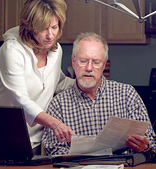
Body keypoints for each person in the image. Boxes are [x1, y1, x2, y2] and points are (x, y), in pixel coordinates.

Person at [42, 32, 156, 161]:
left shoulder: (127, 94)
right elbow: (53, 152)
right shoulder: (58, 104)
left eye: (96, 62)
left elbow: (151, 146)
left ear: (104, 65)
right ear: (73, 62)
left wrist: (144, 147)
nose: (89, 68)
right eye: (83, 61)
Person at [0, 0, 75, 155]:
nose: (50, 35)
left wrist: (88, 84)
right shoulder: (12, 51)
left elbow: (58, 82)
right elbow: (21, 100)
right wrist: (55, 124)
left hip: (33, 137)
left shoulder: (55, 50)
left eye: (54, 27)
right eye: (43, 28)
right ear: (30, 27)